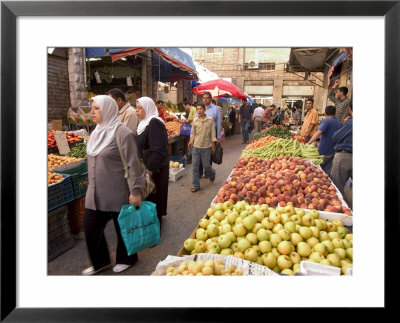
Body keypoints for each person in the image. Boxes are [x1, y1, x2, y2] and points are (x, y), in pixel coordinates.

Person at [82, 95, 145, 276]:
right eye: (91, 108)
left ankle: (127, 259)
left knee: (123, 228)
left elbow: (134, 163)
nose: (91, 112)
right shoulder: (95, 132)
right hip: (95, 193)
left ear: (108, 109)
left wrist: (135, 191)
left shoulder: (121, 133)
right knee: (90, 227)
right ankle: (100, 262)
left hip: (118, 192)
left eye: (96, 108)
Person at [136, 97, 169, 229]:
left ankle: (155, 230)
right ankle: (150, 226)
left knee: (155, 198)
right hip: (147, 166)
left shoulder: (154, 122)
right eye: (136, 107)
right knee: (149, 198)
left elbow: (160, 150)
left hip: (156, 169)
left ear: (148, 108)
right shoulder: (143, 123)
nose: (136, 111)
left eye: (139, 108)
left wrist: (150, 169)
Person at [191, 92, 221, 178]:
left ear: (210, 99)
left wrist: (218, 137)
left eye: (207, 98)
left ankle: (208, 173)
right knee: (198, 154)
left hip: (211, 132)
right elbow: (194, 123)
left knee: (209, 154)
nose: (205, 99)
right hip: (200, 133)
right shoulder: (199, 108)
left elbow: (218, 122)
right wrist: (191, 136)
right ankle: (199, 173)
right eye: (203, 98)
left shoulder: (215, 109)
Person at [306, 105, 342, 176]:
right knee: (327, 170)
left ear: (325, 113)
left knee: (317, 170)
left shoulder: (327, 120)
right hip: (334, 150)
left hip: (324, 150)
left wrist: (309, 143)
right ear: (335, 113)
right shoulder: (339, 123)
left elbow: (318, 132)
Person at [188, 103, 217, 192]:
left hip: (206, 147)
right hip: (196, 147)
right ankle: (196, 185)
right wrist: (191, 141)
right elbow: (194, 133)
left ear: (204, 110)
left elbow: (212, 133)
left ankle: (212, 174)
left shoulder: (210, 120)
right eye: (198, 109)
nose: (199, 110)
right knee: (195, 167)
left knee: (206, 166)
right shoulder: (195, 120)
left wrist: (213, 145)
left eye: (201, 109)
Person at [330, 103, 353, 201]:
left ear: (350, 109)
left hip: (345, 156)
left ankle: (340, 207)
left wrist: (345, 123)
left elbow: (336, 137)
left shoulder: (351, 122)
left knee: (337, 187)